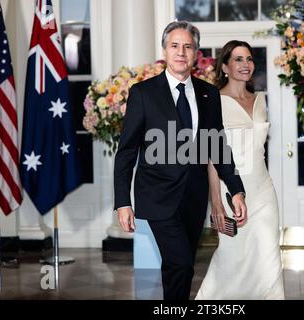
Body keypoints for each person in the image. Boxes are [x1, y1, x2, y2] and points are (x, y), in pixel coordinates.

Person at [113, 22, 247, 300]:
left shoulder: (208, 94)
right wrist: (122, 202)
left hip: (194, 198)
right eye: (174, 45)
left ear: (196, 53)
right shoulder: (143, 93)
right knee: (181, 263)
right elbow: (126, 152)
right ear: (165, 50)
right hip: (158, 195)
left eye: (187, 46)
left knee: (180, 267)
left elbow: (217, 144)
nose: (181, 52)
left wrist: (236, 189)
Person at [195, 40, 285, 300]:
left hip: (263, 189)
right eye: (238, 59)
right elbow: (212, 156)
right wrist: (216, 202)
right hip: (230, 188)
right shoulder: (213, 101)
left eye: (249, 59)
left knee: (268, 257)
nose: (245, 65)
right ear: (225, 66)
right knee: (231, 256)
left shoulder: (260, 99)